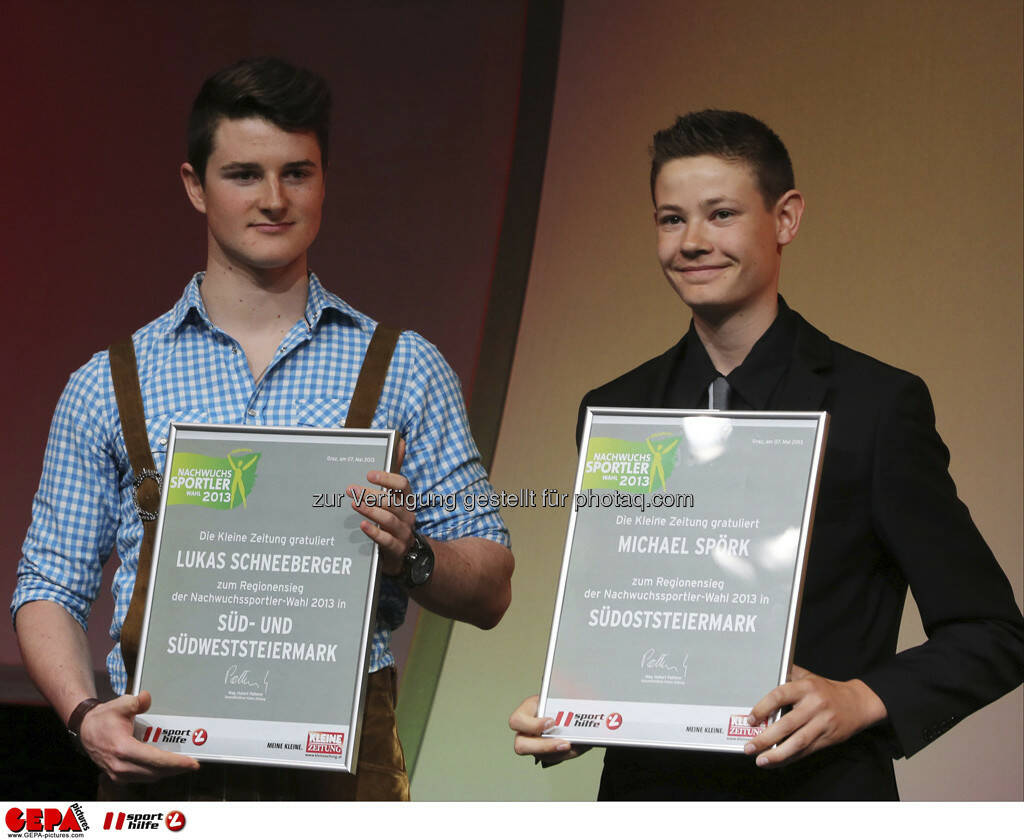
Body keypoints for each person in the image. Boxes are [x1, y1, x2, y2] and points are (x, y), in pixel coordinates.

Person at [11, 57, 514, 801]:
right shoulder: (108, 384)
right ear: (194, 185)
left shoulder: (405, 367)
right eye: (244, 173)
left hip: (338, 773)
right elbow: (49, 582)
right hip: (159, 761)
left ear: (323, 181)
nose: (274, 199)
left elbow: (493, 584)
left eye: (298, 173)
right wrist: (85, 715)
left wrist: (413, 553)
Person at [508, 109, 1024, 800]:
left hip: (814, 792)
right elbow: (634, 617)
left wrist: (862, 698)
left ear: (785, 218)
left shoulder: (875, 407)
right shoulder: (617, 412)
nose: (691, 242)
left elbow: (992, 632)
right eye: (670, 219)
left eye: (720, 214)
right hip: (648, 795)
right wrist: (576, 709)